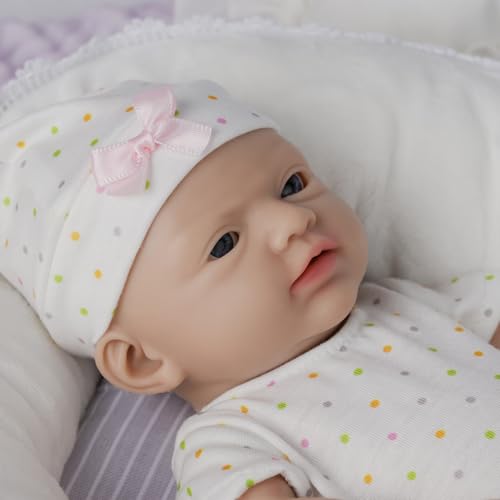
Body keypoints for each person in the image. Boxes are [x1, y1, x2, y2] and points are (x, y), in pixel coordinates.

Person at [1, 79, 499, 500]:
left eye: (291, 185)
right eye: (225, 244)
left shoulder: (402, 303)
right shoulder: (232, 436)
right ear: (143, 361)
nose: (293, 220)